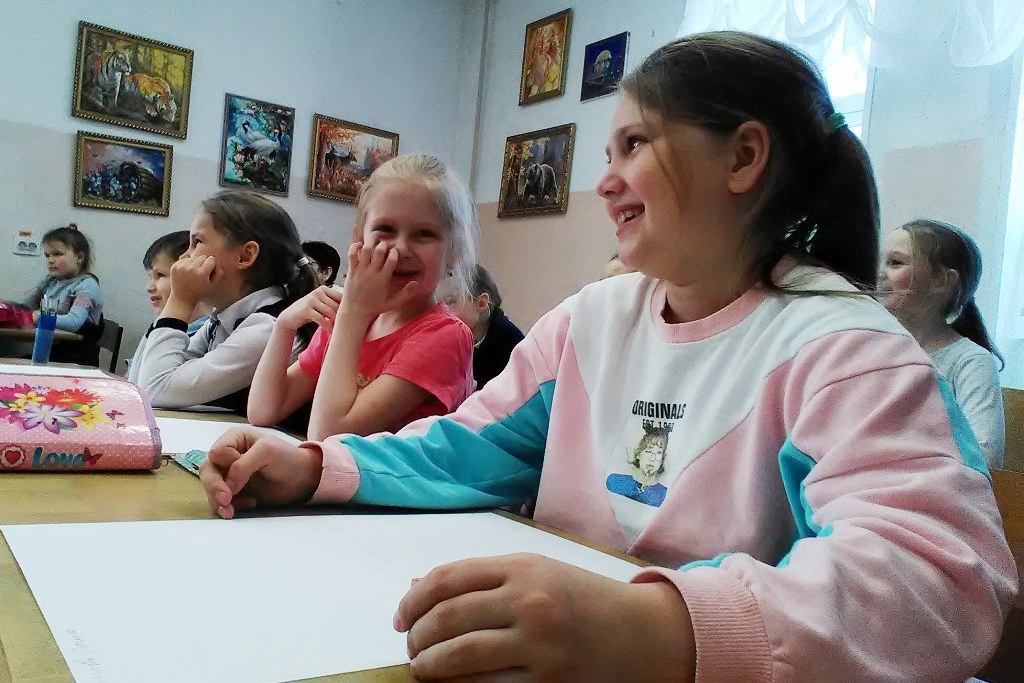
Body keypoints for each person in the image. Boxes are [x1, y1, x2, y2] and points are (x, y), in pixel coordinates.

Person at [199, 32, 1017, 681]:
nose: (608, 182)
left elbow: (942, 578)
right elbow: (463, 447)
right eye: (607, 155)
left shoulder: (847, 348)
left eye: (634, 145)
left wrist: (658, 628)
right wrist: (317, 466)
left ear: (743, 157)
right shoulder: (593, 319)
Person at [247, 154, 475, 439]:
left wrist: (352, 313)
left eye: (424, 234)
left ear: (454, 251)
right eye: (385, 229)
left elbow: (329, 435)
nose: (401, 248)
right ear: (359, 239)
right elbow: (263, 410)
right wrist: (284, 325)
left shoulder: (445, 336)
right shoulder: (348, 320)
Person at [130, 190, 318, 415]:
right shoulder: (222, 320)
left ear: (245, 256)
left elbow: (155, 389)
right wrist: (172, 307)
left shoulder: (268, 328)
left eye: (197, 242)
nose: (183, 257)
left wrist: (179, 301)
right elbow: (139, 384)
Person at [879, 219, 1006, 468]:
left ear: (943, 281)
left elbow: (985, 457)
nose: (880, 273)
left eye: (895, 263)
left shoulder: (971, 362)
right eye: (880, 262)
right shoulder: (871, 349)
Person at [125, 231, 210, 378]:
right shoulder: (160, 328)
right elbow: (130, 377)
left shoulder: (205, 335)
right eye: (150, 277)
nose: (149, 287)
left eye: (160, 275)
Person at [23, 224, 104, 365]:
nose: (50, 260)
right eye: (47, 255)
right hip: (51, 351)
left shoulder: (87, 285)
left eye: (57, 254)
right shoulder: (51, 281)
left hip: (76, 360)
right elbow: (25, 306)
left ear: (79, 257)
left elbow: (74, 322)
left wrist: (38, 316)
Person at [445, 265, 525, 389]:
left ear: (481, 303)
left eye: (451, 302)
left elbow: (517, 388)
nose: (443, 312)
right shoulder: (457, 339)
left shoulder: (509, 339)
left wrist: (476, 386)